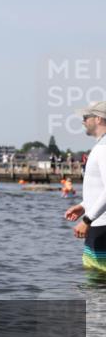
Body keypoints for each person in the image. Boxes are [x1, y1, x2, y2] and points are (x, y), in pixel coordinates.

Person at [65, 102, 106, 271]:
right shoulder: (101, 146)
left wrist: (87, 219)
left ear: (98, 119)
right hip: (98, 224)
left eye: (85, 117)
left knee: (97, 288)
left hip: (101, 227)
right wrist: (84, 206)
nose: (82, 122)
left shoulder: (104, 148)